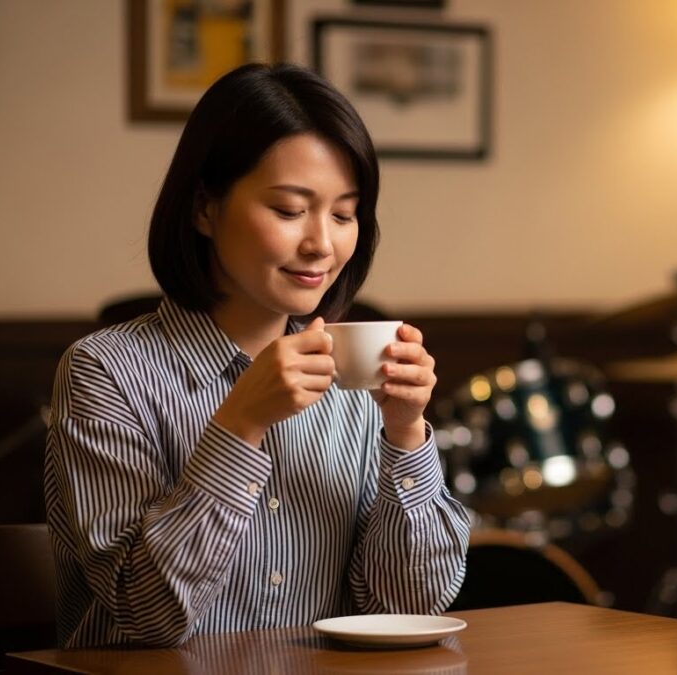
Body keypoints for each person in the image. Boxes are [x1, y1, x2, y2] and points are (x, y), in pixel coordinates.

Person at [43, 63, 470, 648]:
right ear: (204, 207)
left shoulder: (353, 386)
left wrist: (405, 434)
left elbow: (407, 604)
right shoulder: (106, 371)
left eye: (344, 214)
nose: (322, 243)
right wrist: (240, 424)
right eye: (290, 210)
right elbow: (142, 614)